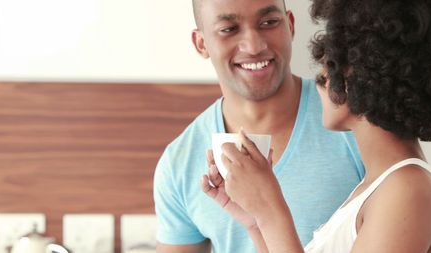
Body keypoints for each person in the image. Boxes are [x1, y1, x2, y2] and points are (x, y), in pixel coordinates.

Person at [203, 0, 431, 252]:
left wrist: (270, 211)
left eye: (328, 66)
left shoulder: (407, 191)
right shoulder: (383, 187)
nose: (320, 81)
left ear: (361, 75)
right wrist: (255, 222)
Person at [153, 0, 366, 252]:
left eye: (268, 23)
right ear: (201, 43)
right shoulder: (179, 162)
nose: (254, 46)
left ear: (290, 25)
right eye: (229, 29)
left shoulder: (357, 123)